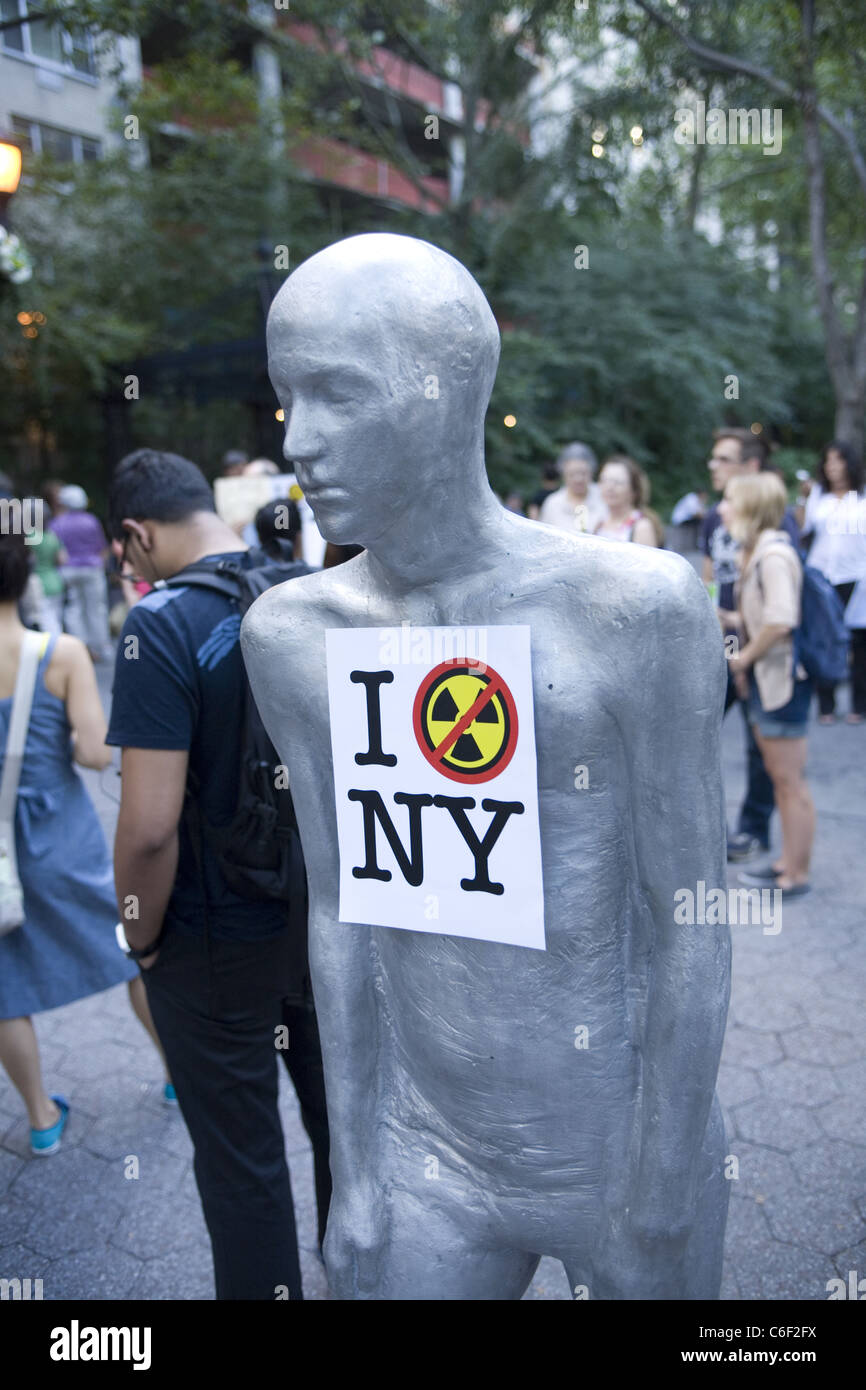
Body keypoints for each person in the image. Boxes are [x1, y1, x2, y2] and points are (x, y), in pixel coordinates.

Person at [243, 232, 730, 1300]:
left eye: (336, 394)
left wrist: (661, 1178)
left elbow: (689, 912)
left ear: (441, 393)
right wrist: (356, 1176)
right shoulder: (293, 634)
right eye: (288, 398)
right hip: (430, 1152)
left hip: (618, 1132)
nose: (299, 442)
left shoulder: (633, 610)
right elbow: (343, 912)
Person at [106, 448, 330, 1301]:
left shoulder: (159, 623)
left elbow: (152, 827)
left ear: (135, 534)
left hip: (210, 941)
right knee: (344, 1134)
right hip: (322, 923)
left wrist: (142, 934)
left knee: (243, 1171)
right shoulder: (306, 589)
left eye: (126, 557)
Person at [0, 532, 166, 1155]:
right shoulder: (60, 653)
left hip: (0, 856)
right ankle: (178, 1078)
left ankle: (41, 1119)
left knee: (4, 986)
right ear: (25, 578)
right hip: (60, 837)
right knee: (127, 951)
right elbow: (97, 752)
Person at [701, 428, 800, 863]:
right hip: (718, 645)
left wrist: (747, 652)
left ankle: (754, 832)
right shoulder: (712, 517)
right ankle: (707, 831)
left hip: (759, 652)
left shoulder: (776, 524)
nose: (713, 466)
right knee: (695, 736)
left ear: (750, 466)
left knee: (763, 749)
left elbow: (782, 604)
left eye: (723, 459)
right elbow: (707, 578)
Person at [722, 474, 815, 897]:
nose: (722, 508)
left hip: (782, 684)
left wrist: (744, 657)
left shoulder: (772, 555)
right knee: (781, 779)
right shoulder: (757, 551)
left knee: (789, 781)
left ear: (750, 508)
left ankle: (796, 875)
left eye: (729, 500)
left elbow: (781, 619)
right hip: (769, 682)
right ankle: (785, 864)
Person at [799, 441, 866, 724]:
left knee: (859, 642)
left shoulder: (862, 497)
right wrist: (802, 500)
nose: (832, 467)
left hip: (858, 574)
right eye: (828, 462)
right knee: (824, 635)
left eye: (837, 461)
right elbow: (804, 529)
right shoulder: (819, 495)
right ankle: (826, 704)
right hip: (822, 574)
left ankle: (858, 705)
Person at [49, 484, 111, 662]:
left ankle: (81, 647)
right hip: (92, 569)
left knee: (73, 609)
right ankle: (101, 646)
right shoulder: (91, 521)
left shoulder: (57, 523)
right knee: (96, 608)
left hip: (68, 570)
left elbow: (56, 551)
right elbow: (102, 548)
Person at [538, 442, 607, 534]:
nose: (578, 479)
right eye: (572, 474)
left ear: (591, 472)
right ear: (563, 475)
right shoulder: (552, 503)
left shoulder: (604, 496)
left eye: (583, 473)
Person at [594, 456, 659, 545]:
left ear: (634, 490)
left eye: (618, 482)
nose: (610, 487)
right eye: (605, 480)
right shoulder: (600, 523)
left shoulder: (641, 527)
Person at [30, 509, 66, 637]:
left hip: (38, 585)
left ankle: (53, 651)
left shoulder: (30, 537)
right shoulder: (52, 536)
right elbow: (62, 560)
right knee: (56, 620)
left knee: (46, 623)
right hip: (56, 582)